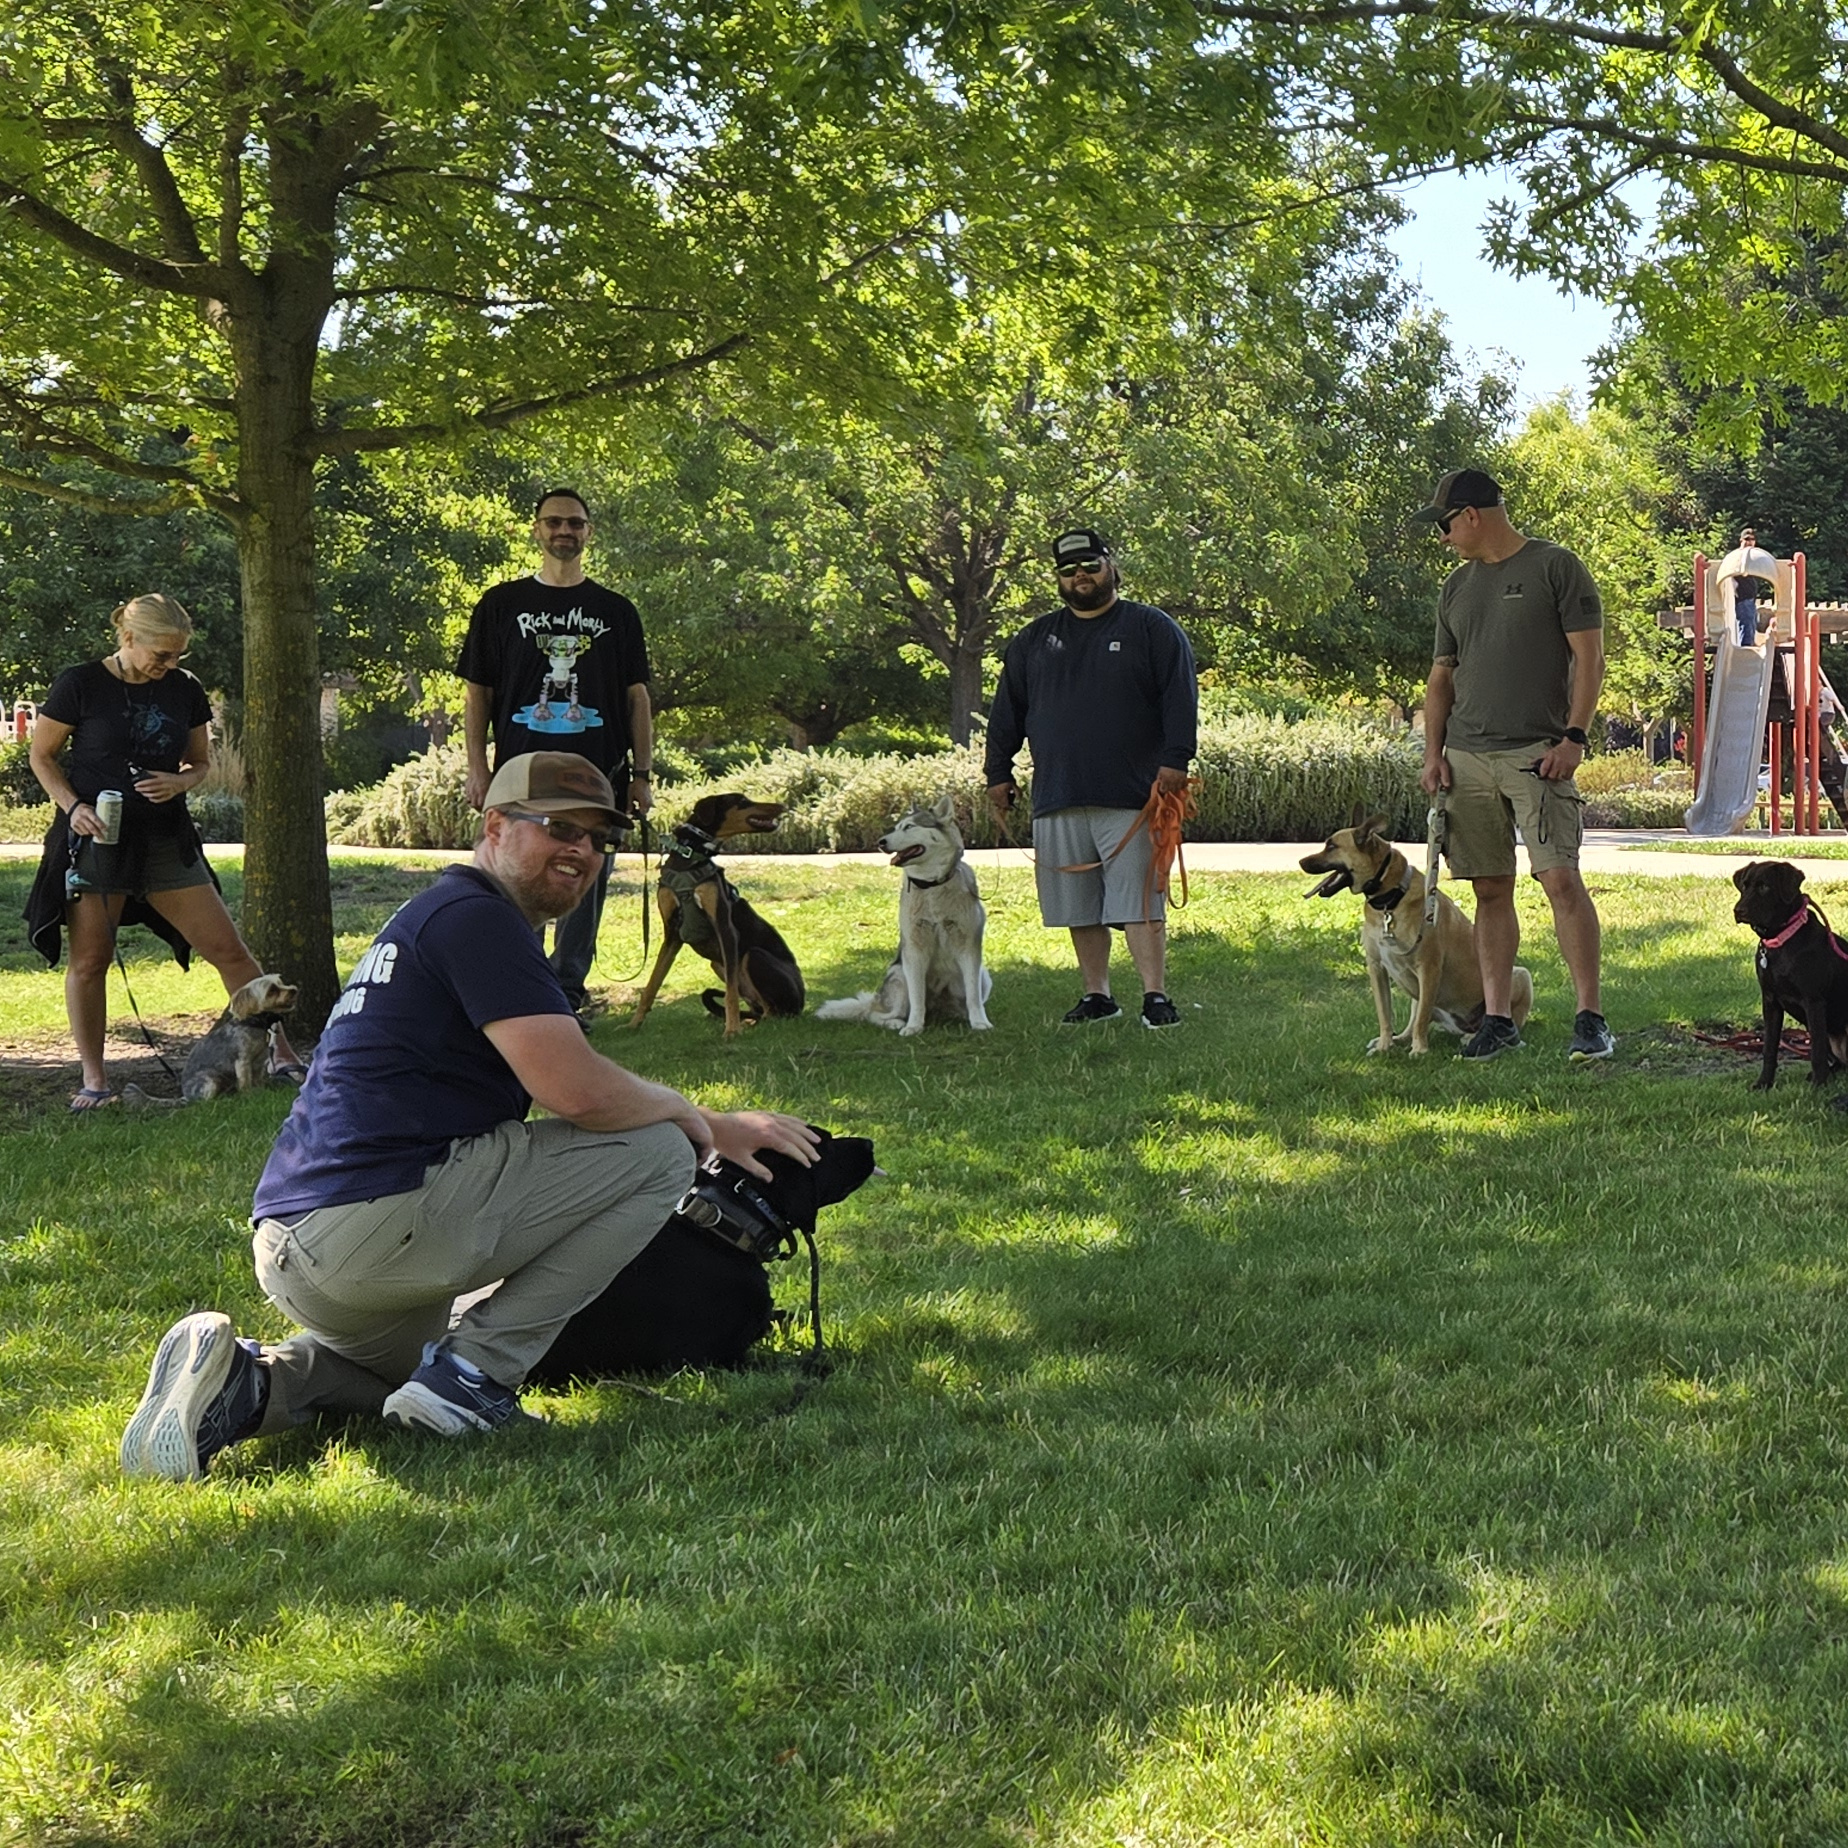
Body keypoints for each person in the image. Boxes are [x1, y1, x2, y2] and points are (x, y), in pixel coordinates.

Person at [119, 752, 818, 1480]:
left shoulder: (441, 913)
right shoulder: (479, 919)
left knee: (402, 1379)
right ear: (493, 825)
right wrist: (704, 1123)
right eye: (557, 827)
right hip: (373, 1223)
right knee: (660, 1152)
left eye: (596, 838)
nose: (580, 850)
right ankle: (476, 1376)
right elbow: (576, 1090)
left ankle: (245, 1385)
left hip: (302, 1246)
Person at [25, 594, 307, 1111]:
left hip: (164, 841)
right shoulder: (80, 684)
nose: (170, 665)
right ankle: (95, 1081)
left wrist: (180, 784)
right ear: (128, 638)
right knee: (91, 961)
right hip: (97, 841)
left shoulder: (184, 689)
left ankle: (282, 1056)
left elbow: (198, 763)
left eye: (177, 655)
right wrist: (73, 807)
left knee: (229, 951)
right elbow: (41, 755)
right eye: (161, 654)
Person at [1413, 468, 1614, 1062]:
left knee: (1560, 880)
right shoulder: (1455, 587)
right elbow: (1441, 678)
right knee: (1489, 888)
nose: (1444, 537)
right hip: (1467, 760)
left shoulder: (1557, 567)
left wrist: (1574, 738)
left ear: (1472, 514)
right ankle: (1497, 1019)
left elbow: (1590, 657)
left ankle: (1590, 1018)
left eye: (1446, 525)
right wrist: (1433, 754)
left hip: (1538, 757)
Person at [984, 528, 1198, 1029]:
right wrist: (998, 772)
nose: (1080, 576)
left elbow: (1180, 698)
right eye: (1069, 569)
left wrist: (1176, 761)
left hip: (1135, 795)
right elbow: (1006, 713)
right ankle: (1097, 996)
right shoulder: (1034, 640)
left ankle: (1155, 997)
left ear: (1111, 566)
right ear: (1059, 578)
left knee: (1141, 901)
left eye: (1090, 565)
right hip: (1058, 794)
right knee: (1078, 907)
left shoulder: (1152, 628)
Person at [458, 488, 654, 1020]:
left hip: (598, 774)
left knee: (580, 882)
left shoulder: (615, 611)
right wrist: (479, 768)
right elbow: (479, 693)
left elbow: (637, 698)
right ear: (536, 530)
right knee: (510, 880)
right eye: (554, 522)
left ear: (589, 532)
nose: (564, 531)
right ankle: (510, 993)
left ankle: (565, 996)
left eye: (575, 523)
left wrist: (641, 775)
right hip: (520, 773)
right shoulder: (501, 605)